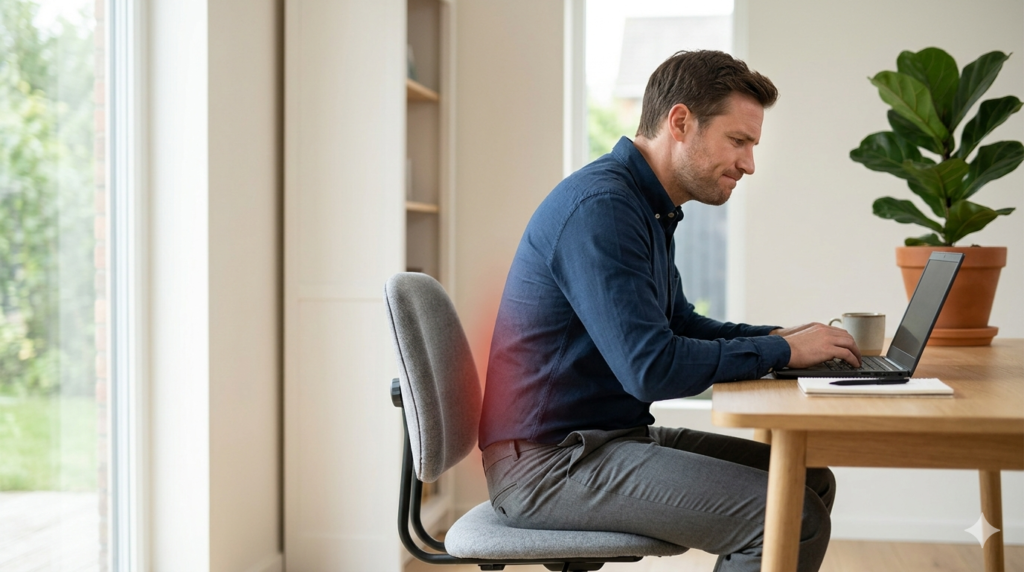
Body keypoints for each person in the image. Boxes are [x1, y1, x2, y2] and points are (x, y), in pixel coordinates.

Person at [478, 50, 862, 572]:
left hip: (602, 440)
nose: (749, 163)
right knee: (791, 515)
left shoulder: (647, 206)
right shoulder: (604, 208)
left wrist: (780, 337)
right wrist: (783, 349)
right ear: (680, 122)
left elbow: (680, 324)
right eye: (739, 141)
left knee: (807, 479)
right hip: (550, 467)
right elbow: (650, 368)